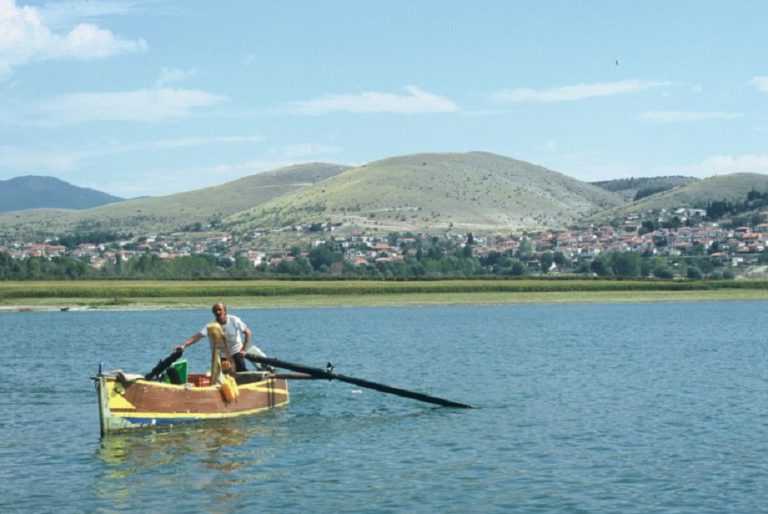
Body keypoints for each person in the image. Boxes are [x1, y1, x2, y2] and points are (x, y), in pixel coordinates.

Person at [175, 302, 266, 372]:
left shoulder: (234, 320)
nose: (217, 312)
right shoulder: (211, 326)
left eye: (219, 310)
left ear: (225, 311)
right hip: (221, 354)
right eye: (215, 311)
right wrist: (183, 345)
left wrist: (244, 349)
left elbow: (248, 333)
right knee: (223, 375)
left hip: (236, 351)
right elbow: (197, 337)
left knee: (241, 372)